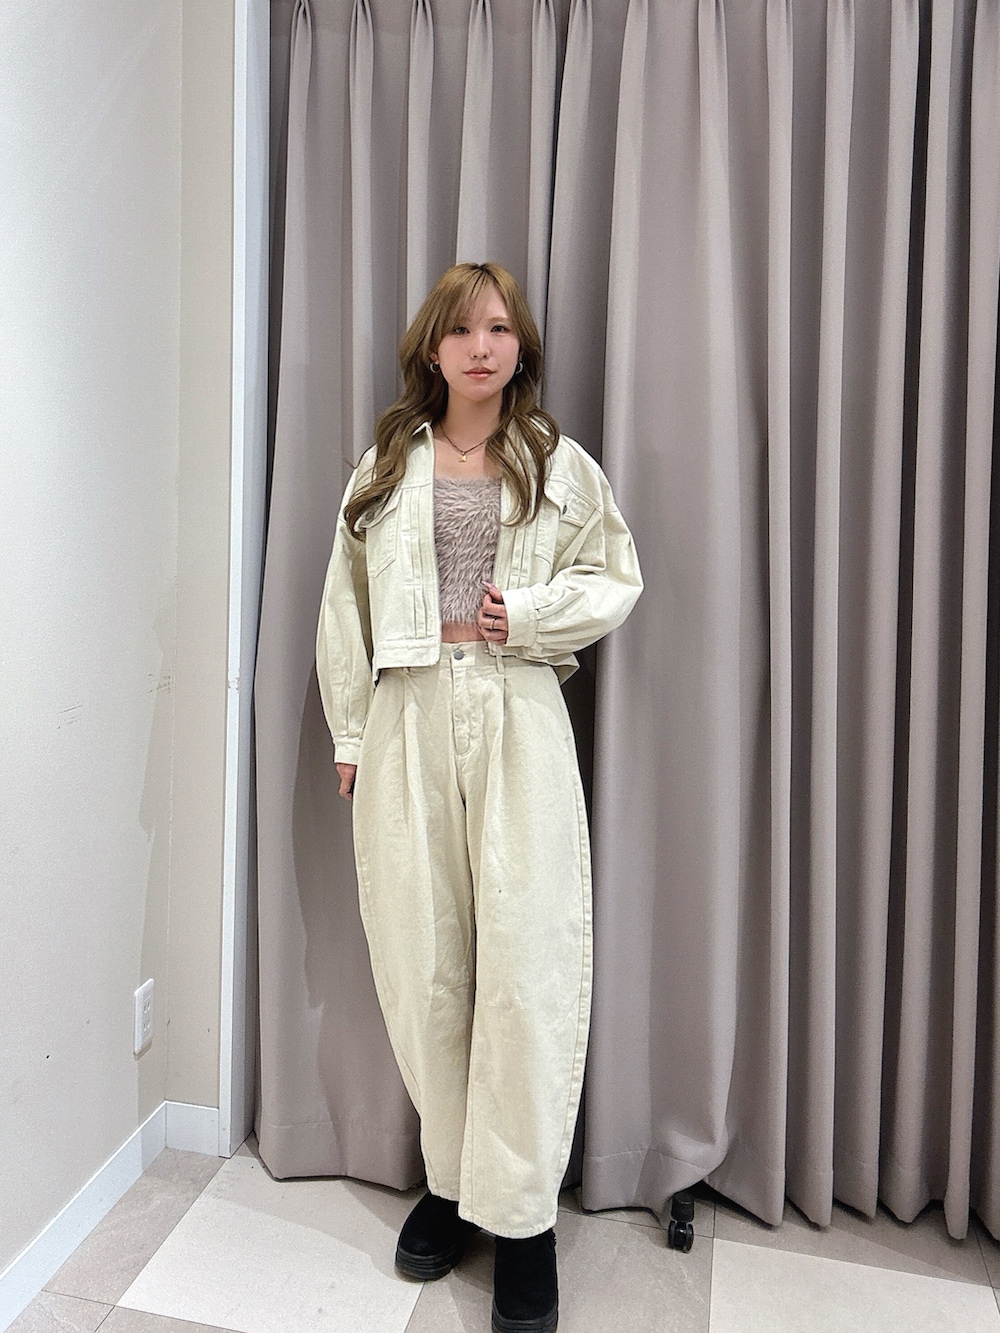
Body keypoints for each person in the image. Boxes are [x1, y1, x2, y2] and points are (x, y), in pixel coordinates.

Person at [316, 261, 642, 1333]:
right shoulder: (385, 468)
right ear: (432, 347)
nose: (481, 347)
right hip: (407, 716)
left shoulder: (554, 462)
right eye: (461, 330)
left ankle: (523, 1218)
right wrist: (352, 733)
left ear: (520, 346)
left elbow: (614, 576)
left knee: (524, 966)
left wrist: (532, 615)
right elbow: (342, 605)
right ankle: (454, 1186)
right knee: (426, 965)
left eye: (499, 328)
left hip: (516, 713)